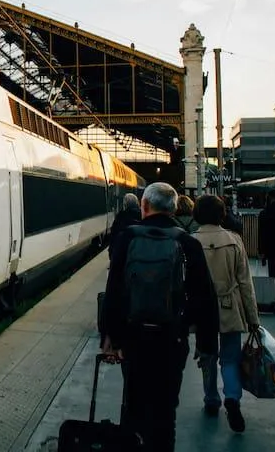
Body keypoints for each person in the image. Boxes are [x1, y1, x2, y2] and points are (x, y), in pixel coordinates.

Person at [101, 182, 220, 452]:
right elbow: (204, 297)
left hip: (132, 337)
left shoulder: (127, 238)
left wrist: (110, 335)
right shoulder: (187, 242)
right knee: (166, 409)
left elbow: (114, 291)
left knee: (133, 403)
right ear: (174, 208)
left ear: (144, 206)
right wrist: (207, 345)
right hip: (172, 338)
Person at [192, 195, 259, 432]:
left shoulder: (190, 241)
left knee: (207, 356)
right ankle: (232, 397)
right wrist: (253, 318)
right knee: (230, 359)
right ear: (222, 214)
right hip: (231, 307)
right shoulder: (235, 240)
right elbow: (245, 284)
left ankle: (211, 400)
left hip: (203, 311)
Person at [108, 192, 141, 260]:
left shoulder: (120, 217)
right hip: (139, 254)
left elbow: (113, 236)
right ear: (137, 203)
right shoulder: (142, 216)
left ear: (125, 205)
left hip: (122, 255)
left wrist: (111, 254)